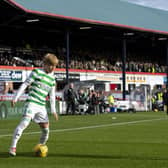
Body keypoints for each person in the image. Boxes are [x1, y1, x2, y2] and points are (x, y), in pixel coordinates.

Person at [9, 53, 59, 156]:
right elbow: (25, 84)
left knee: (46, 131)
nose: (53, 68)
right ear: (45, 64)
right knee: (24, 123)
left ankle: (39, 147)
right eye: (51, 65)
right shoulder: (36, 72)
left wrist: (53, 110)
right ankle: (13, 147)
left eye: (54, 66)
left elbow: (52, 95)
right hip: (32, 102)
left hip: (41, 106)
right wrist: (16, 97)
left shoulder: (52, 79)